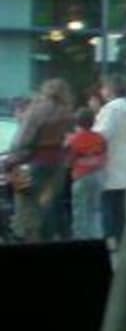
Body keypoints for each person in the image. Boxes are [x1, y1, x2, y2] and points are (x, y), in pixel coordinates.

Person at [7, 78, 77, 241]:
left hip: (31, 164)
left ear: (45, 91)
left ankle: (29, 239)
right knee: (49, 204)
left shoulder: (36, 111)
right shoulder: (68, 114)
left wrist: (12, 158)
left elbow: (22, 141)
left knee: (26, 205)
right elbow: (69, 140)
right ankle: (49, 239)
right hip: (57, 167)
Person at [91, 75, 126, 245]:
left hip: (112, 164)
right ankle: (121, 240)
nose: (101, 91)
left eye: (104, 87)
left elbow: (100, 136)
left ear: (110, 90)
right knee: (120, 208)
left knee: (109, 206)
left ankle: (111, 241)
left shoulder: (111, 109)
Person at [64, 106, 106, 245]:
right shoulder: (100, 138)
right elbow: (103, 157)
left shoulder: (74, 140)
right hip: (98, 176)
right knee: (96, 210)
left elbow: (69, 162)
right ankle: (97, 239)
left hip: (81, 177)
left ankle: (81, 242)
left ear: (77, 122)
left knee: (80, 212)